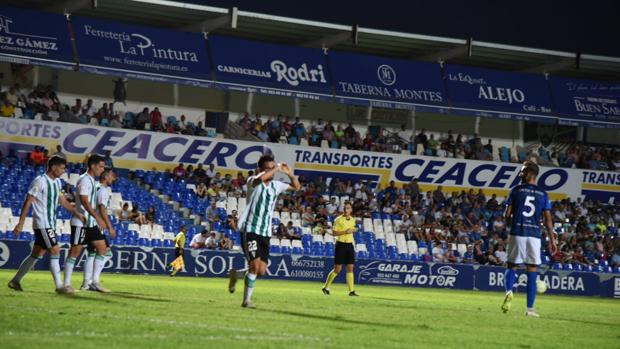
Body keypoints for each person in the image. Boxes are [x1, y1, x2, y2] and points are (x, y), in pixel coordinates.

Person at [228, 155, 301, 308]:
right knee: (254, 266)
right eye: (268, 168)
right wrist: (276, 168)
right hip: (250, 229)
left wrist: (289, 174)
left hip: (265, 232)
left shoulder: (276, 185)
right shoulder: (253, 182)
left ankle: (236, 274)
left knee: (261, 270)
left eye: (273, 168)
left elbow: (297, 187)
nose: (273, 171)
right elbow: (260, 180)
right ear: (260, 170)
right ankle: (246, 301)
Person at [8, 156, 85, 294]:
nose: (63, 171)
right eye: (62, 168)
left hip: (50, 223)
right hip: (42, 223)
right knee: (56, 250)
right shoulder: (40, 181)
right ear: (54, 167)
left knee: (36, 254)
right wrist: (20, 223)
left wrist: (76, 212)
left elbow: (62, 201)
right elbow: (28, 202)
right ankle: (60, 286)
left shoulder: (57, 183)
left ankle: (15, 281)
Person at [501, 161, 557, 317]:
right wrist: (552, 239)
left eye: (523, 171)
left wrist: (509, 226)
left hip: (517, 232)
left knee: (511, 266)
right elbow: (548, 219)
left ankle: (509, 291)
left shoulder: (516, 190)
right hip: (534, 236)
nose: (521, 174)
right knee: (532, 270)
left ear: (531, 174)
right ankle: (530, 309)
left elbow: (507, 214)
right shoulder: (543, 194)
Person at [63, 154, 108, 293]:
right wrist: (98, 217)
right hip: (81, 221)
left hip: (90, 222)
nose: (102, 170)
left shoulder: (91, 181)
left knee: (102, 248)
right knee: (75, 252)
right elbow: (84, 201)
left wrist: (95, 218)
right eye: (101, 166)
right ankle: (66, 284)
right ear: (93, 166)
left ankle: (94, 282)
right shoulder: (84, 180)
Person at [82, 168, 117, 290]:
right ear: (106, 176)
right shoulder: (103, 190)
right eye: (112, 176)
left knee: (92, 253)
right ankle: (94, 281)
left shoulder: (95, 186)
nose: (114, 178)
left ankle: (87, 283)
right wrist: (109, 227)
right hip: (96, 225)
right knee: (106, 252)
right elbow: (102, 209)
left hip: (90, 223)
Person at [322, 201, 359, 296]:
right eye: (345, 208)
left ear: (351, 210)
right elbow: (334, 233)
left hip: (350, 245)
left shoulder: (352, 220)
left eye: (348, 208)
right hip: (341, 245)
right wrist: (346, 232)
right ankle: (326, 287)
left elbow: (354, 228)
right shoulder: (338, 220)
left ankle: (351, 291)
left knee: (350, 268)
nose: (346, 210)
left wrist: (354, 229)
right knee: (337, 269)